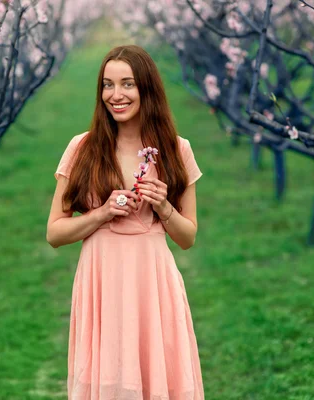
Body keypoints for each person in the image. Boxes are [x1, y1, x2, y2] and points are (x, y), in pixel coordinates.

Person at [46, 45, 204, 400]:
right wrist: (101, 213)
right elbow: (54, 232)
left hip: (152, 281)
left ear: (147, 89)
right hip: (101, 279)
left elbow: (188, 237)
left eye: (127, 84)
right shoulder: (83, 148)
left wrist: (163, 206)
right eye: (107, 85)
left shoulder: (177, 150)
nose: (115, 95)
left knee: (154, 378)